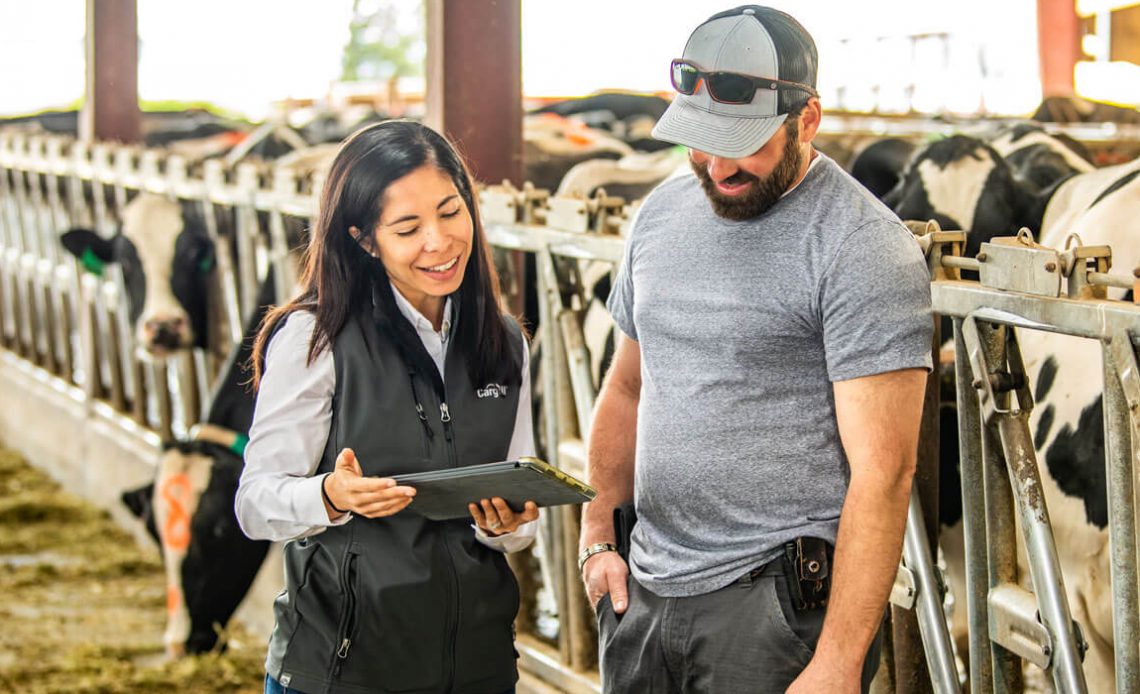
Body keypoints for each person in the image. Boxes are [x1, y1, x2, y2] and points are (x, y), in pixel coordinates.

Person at [578, 6, 933, 693]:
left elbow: (884, 472)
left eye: (740, 141)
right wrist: (599, 538)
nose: (715, 165)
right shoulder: (658, 216)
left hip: (773, 609)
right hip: (644, 590)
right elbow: (626, 387)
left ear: (807, 120)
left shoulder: (862, 247)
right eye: (697, 140)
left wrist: (836, 663)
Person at [235, 120, 540, 694]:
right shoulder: (315, 337)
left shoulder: (503, 342)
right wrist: (329, 496)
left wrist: (509, 524)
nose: (440, 241)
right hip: (345, 671)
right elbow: (255, 503)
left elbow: (515, 521)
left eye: (451, 213)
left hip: (477, 668)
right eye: (408, 227)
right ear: (365, 239)